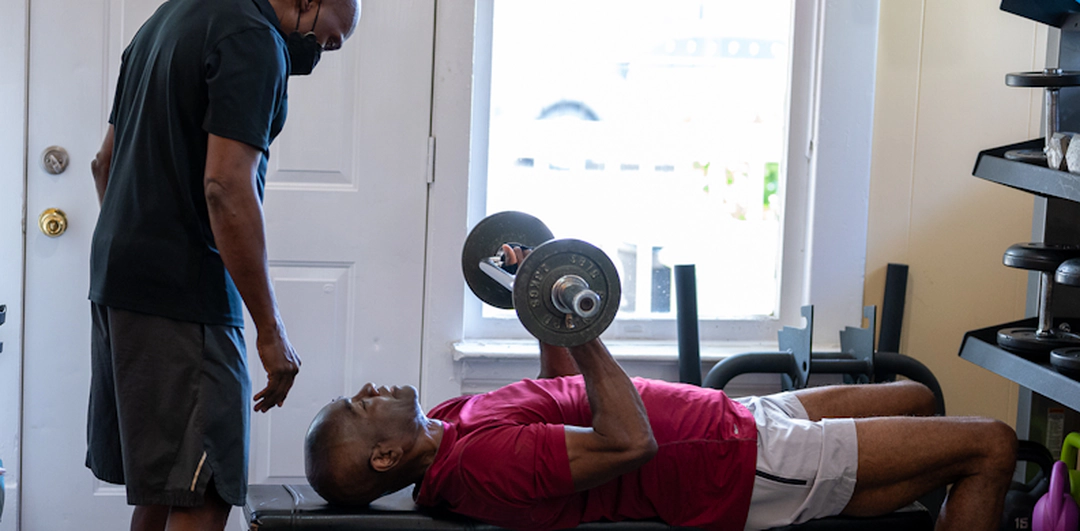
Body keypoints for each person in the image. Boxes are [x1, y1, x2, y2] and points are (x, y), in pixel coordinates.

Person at [87, 0, 360, 529]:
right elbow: (226, 185)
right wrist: (270, 330)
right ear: (307, 2)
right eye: (329, 41)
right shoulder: (253, 40)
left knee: (167, 485)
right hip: (186, 296)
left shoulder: (166, 21)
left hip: (118, 283)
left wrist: (141, 248)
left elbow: (104, 164)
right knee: (206, 485)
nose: (321, 55)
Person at [305, 337, 1017, 530]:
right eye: (360, 406)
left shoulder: (456, 423)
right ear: (386, 454)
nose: (370, 391)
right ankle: (832, 489)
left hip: (731, 423)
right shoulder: (483, 465)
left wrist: (547, 320)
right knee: (990, 442)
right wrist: (584, 332)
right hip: (743, 461)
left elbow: (563, 398)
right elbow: (626, 443)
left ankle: (847, 492)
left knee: (919, 396)